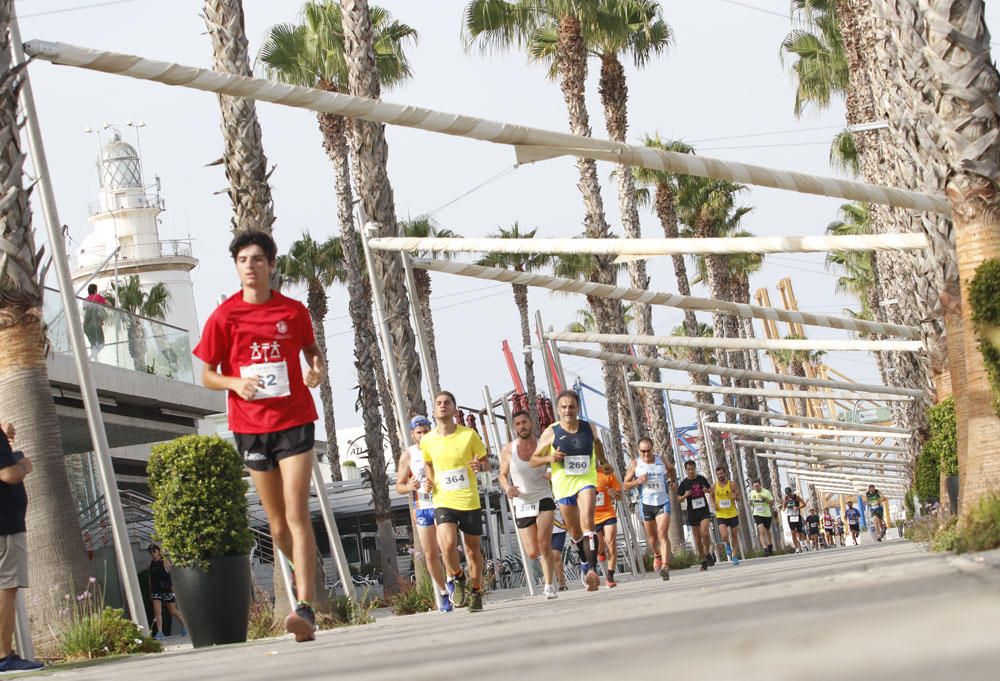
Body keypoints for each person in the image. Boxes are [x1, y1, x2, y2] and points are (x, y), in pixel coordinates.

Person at [193, 230, 325, 642]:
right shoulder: (224, 317)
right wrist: (234, 383)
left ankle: (304, 607)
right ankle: (307, 573)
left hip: (294, 419)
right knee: (277, 525)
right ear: (237, 268)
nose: (250, 266)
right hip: (250, 428)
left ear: (270, 264)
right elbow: (208, 374)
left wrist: (316, 370)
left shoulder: (293, 310)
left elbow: (312, 350)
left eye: (257, 259)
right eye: (242, 260)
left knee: (296, 511)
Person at [530, 390, 607, 592]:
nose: (568, 410)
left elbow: (598, 444)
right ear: (558, 409)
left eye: (571, 406)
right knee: (574, 531)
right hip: (563, 486)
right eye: (563, 407)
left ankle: (592, 570)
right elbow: (533, 459)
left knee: (588, 522)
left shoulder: (588, 427)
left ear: (578, 408)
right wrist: (550, 459)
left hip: (586, 480)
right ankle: (584, 561)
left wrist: (603, 462)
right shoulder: (551, 432)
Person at [421, 390, 490, 612]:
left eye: (447, 403)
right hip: (444, 499)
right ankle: (458, 577)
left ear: (454, 409)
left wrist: (480, 466)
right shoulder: (427, 440)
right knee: (447, 544)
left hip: (468, 499)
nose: (442, 406)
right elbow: (429, 464)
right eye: (438, 403)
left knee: (472, 551)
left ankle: (477, 590)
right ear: (433, 411)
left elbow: (485, 462)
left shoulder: (468, 435)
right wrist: (430, 482)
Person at [499, 410, 557, 599]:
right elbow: (502, 474)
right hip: (522, 502)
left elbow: (556, 464)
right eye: (518, 424)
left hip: (543, 497)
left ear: (530, 423)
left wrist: (550, 472)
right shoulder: (508, 449)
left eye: (524, 422)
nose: (522, 426)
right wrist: (508, 488)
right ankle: (546, 562)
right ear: (514, 427)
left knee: (544, 541)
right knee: (533, 551)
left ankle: (549, 585)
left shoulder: (543, 444)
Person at [395, 415, 451, 612]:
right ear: (413, 435)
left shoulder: (441, 446)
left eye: (426, 431)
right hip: (422, 507)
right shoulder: (408, 455)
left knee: (448, 547)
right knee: (430, 555)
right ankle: (444, 593)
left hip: (442, 503)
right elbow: (399, 486)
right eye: (419, 432)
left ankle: (452, 578)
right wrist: (409, 485)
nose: (423, 435)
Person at [0, 422, 43, 673]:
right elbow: (8, 474)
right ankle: (4, 656)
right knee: (6, 588)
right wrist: (24, 464)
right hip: (5, 527)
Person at [624, 437, 674, 580]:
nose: (646, 454)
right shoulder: (635, 464)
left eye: (648, 451)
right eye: (643, 451)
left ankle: (665, 566)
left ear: (653, 449)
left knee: (662, 533)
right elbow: (624, 485)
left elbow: (671, 469)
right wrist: (637, 481)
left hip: (663, 502)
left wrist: (673, 481)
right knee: (652, 539)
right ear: (639, 451)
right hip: (646, 504)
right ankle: (657, 554)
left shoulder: (661, 460)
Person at [676, 460, 715, 571]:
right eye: (689, 469)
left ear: (695, 468)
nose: (691, 471)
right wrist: (685, 495)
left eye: (693, 468)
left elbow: (710, 489)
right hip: (692, 512)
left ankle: (707, 552)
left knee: (705, 533)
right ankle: (703, 561)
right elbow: (678, 499)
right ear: (686, 470)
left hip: (704, 510)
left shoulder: (701, 479)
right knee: (697, 538)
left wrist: (707, 490)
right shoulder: (684, 483)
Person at [147, 544, 187, 640]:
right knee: (157, 611)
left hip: (167, 589)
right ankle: (160, 632)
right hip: (156, 590)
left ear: (158, 551)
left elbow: (172, 573)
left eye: (154, 551)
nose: (152, 554)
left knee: (172, 611)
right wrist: (150, 591)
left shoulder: (165, 562)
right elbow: (150, 579)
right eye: (150, 552)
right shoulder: (151, 564)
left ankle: (185, 625)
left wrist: (173, 585)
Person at [593, 463, 623, 588]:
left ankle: (610, 576)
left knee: (610, 541)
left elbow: (620, 496)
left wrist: (614, 494)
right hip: (592, 517)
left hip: (608, 514)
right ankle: (601, 554)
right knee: (599, 547)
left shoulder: (607, 473)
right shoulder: (583, 475)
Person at [712, 465, 742, 566]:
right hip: (721, 514)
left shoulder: (732, 484)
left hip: (732, 513)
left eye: (721, 473)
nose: (720, 475)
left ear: (725, 473)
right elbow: (711, 495)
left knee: (734, 536)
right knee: (724, 535)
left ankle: (734, 556)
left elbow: (738, 496)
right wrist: (714, 504)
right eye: (718, 474)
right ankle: (727, 544)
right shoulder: (714, 486)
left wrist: (735, 496)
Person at [748, 478, 775, 556]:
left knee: (767, 531)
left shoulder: (766, 492)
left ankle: (770, 544)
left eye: (758, 486)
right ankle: (765, 549)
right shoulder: (752, 493)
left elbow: (771, 503)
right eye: (755, 487)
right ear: (753, 487)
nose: (756, 488)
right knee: (761, 531)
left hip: (766, 514)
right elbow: (750, 502)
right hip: (757, 514)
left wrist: (765, 499)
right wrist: (750, 502)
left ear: (760, 485)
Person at [83, 283, 108, 361]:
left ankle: (95, 360)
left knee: (93, 345)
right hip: (95, 325)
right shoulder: (97, 296)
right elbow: (109, 304)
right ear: (95, 290)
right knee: (101, 344)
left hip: (86, 326)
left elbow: (84, 309)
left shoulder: (85, 300)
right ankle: (91, 357)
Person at [782, 487, 807, 553]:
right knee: (793, 533)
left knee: (799, 531)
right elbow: (783, 509)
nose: (789, 495)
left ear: (791, 492)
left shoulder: (796, 497)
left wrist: (798, 507)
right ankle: (797, 548)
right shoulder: (786, 498)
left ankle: (802, 543)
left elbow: (804, 504)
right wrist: (784, 502)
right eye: (787, 494)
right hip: (790, 517)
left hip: (797, 516)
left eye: (789, 493)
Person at [550, 506, 568, 592]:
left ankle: (561, 582)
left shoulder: (559, 493)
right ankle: (550, 582)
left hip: (559, 530)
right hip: (545, 529)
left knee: (556, 556)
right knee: (547, 558)